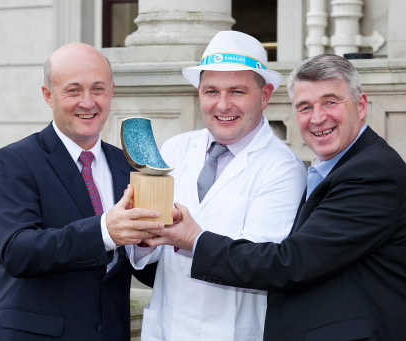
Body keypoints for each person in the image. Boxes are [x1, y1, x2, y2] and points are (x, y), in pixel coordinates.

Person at [148, 54, 406, 340]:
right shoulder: (340, 168)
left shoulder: (372, 174)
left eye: (331, 102)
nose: (318, 117)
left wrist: (194, 240)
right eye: (305, 107)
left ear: (360, 106)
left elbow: (290, 263)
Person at [127, 31, 307, 340]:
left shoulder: (283, 168)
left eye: (237, 91)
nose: (223, 105)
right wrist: (141, 237)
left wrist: (191, 239)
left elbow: (260, 263)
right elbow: (149, 258)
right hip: (168, 328)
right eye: (211, 91)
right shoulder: (174, 150)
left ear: (264, 96)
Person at [0, 43, 163, 341]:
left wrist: (144, 246)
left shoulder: (126, 165)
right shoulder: (13, 161)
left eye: (98, 89)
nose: (88, 102)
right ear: (47, 95)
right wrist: (106, 231)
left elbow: (139, 271)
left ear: (112, 92)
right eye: (73, 90)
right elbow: (18, 251)